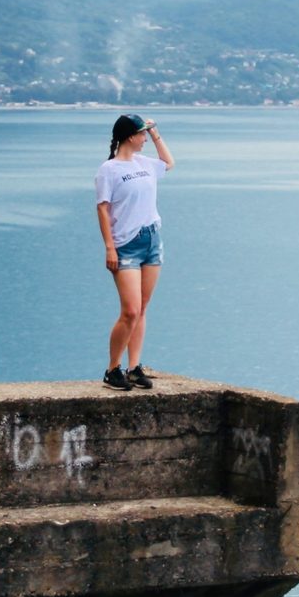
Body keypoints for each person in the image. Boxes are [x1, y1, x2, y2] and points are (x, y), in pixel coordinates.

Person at [95, 113, 175, 390]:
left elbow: (169, 163)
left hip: (151, 240)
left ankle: (133, 367)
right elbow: (103, 208)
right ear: (130, 136)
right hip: (125, 244)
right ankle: (112, 369)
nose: (144, 139)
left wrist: (155, 133)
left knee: (142, 308)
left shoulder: (144, 163)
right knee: (130, 310)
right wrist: (110, 248)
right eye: (141, 134)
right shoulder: (109, 169)